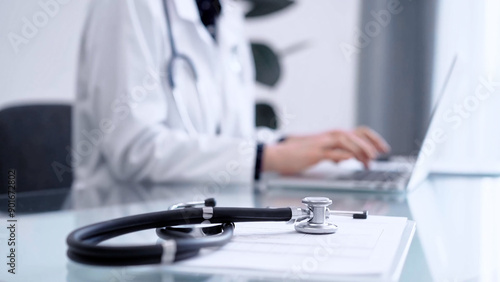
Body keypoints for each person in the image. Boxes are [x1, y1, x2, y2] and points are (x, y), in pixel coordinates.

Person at [72, 0, 389, 190]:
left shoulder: (225, 11)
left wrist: (294, 144)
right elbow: (134, 150)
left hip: (200, 220)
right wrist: (267, 157)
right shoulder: (129, 5)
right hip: (123, 229)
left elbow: (229, 136)